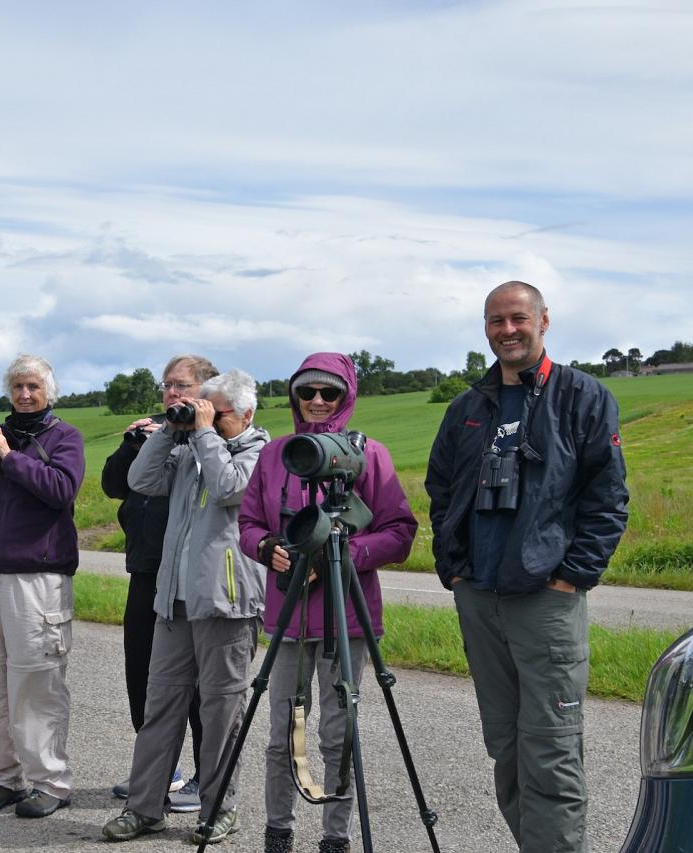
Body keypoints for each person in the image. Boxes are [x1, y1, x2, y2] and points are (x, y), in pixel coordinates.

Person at [425, 281, 629, 853]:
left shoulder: (582, 397)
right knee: (507, 745)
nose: (507, 330)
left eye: (518, 318)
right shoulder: (468, 407)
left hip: (545, 597)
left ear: (543, 321)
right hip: (480, 597)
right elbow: (440, 489)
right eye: (495, 321)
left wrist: (572, 577)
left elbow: (607, 498)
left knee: (552, 746)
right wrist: (455, 568)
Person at [238, 353, 418, 853]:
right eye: (306, 392)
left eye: (329, 392)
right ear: (294, 396)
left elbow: (400, 532)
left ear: (347, 396)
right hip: (287, 614)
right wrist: (266, 547)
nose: (317, 402)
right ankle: (278, 831)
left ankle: (336, 838)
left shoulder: (369, 455)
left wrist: (342, 555)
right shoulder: (274, 455)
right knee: (281, 734)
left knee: (338, 737)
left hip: (348, 618)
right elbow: (248, 523)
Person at [102, 369, 270, 846]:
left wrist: (201, 435)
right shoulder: (192, 447)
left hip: (226, 604)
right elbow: (140, 480)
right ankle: (146, 808)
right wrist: (168, 434)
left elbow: (229, 489)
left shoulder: (261, 453)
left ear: (245, 414)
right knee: (161, 708)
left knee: (220, 713)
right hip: (173, 600)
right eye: (203, 412)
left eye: (216, 414)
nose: (206, 421)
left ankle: (219, 810)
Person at [0, 354, 85, 819]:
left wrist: (9, 458)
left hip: (38, 575)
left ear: (49, 390)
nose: (24, 395)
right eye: (17, 387)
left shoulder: (63, 436)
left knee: (36, 682)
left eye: (32, 386)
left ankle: (50, 782)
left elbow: (61, 491)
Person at [100, 355, 216, 811]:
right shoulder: (157, 433)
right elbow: (115, 485)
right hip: (144, 570)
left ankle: (208, 776)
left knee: (197, 686)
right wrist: (134, 444)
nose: (173, 394)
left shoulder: (213, 438)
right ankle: (158, 769)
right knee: (143, 676)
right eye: (168, 385)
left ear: (205, 391)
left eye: (183, 385)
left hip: (191, 578)